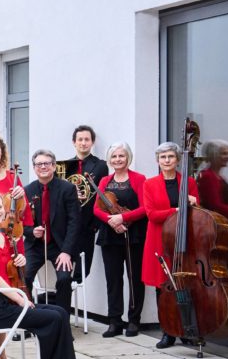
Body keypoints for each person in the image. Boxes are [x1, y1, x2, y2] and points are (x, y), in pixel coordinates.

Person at [0, 190, 84, 359]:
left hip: (10, 301)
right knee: (53, 317)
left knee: (59, 312)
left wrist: (20, 261)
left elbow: (9, 271)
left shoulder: (3, 237)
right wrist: (21, 300)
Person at [142, 142, 199, 350]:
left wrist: (193, 202)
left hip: (184, 239)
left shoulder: (189, 182)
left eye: (171, 157)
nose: (167, 161)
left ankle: (185, 330)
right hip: (159, 239)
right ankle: (167, 331)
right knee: (163, 288)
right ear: (158, 161)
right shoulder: (149, 184)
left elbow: (197, 209)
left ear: (177, 160)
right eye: (163, 157)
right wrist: (177, 209)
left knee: (184, 285)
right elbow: (151, 215)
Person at [93, 142, 147, 337]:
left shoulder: (139, 179)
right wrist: (112, 221)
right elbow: (97, 209)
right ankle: (114, 321)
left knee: (135, 279)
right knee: (113, 279)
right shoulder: (105, 181)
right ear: (110, 159)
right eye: (114, 156)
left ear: (128, 158)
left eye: (121, 156)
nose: (117, 160)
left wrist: (123, 217)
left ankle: (134, 320)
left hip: (134, 235)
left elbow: (145, 208)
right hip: (110, 235)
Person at [23, 149, 81, 314]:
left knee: (64, 279)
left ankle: (62, 321)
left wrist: (66, 252)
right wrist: (31, 231)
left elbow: (74, 222)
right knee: (24, 277)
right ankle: (29, 317)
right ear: (34, 168)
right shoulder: (28, 191)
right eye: (39, 164)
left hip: (60, 246)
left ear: (54, 166)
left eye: (47, 163)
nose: (43, 167)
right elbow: (21, 224)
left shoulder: (67, 188)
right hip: (35, 246)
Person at [60, 125, 108, 276]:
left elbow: (102, 194)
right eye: (80, 139)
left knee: (83, 271)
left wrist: (95, 225)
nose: (83, 143)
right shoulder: (64, 166)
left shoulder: (101, 165)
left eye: (87, 139)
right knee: (64, 270)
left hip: (88, 225)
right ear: (74, 142)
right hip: (67, 226)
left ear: (92, 142)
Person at [197, 139, 228, 223]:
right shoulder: (208, 176)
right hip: (216, 223)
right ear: (214, 155)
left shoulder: (218, 176)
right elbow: (215, 205)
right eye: (224, 153)